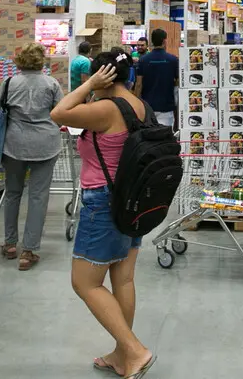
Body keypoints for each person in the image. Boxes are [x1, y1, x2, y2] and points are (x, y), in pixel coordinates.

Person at [51, 52, 157, 379]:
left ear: (104, 76)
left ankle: (135, 350)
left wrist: (89, 86)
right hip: (134, 199)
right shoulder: (141, 106)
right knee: (122, 278)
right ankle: (122, 353)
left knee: (84, 282)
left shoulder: (105, 109)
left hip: (104, 202)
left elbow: (58, 113)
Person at [0, 42, 64, 271]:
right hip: (45, 145)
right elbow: (61, 114)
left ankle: (10, 244)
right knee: (38, 197)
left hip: (14, 145)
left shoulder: (9, 83)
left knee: (12, 193)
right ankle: (28, 251)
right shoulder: (51, 84)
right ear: (42, 61)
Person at [134, 28, 179, 128]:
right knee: (164, 139)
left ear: (151, 42)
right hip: (166, 107)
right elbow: (178, 82)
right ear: (164, 41)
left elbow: (138, 84)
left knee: (149, 138)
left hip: (147, 108)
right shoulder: (173, 60)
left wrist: (136, 105)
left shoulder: (143, 60)